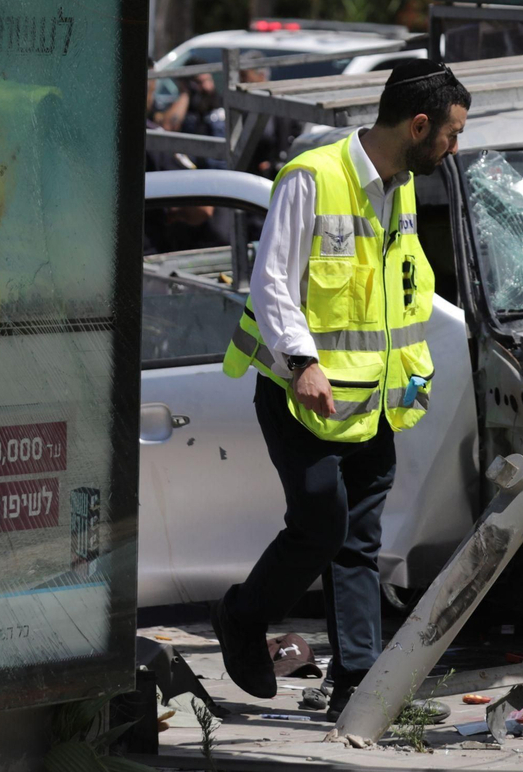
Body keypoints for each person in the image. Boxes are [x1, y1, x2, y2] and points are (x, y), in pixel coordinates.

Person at [213, 60, 470, 720]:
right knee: (322, 525)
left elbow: (395, 297)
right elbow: (271, 282)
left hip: (372, 405)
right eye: (450, 134)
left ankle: (360, 688)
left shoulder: (402, 188)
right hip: (302, 397)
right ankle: (244, 618)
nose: (454, 148)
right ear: (417, 125)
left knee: (359, 541)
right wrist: (301, 362)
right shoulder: (313, 179)